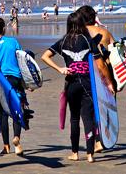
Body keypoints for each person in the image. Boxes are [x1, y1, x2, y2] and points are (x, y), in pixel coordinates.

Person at [41, 12, 98, 163]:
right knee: (88, 118)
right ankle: (90, 154)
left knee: (74, 118)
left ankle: (75, 153)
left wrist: (60, 69)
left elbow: (44, 56)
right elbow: (99, 60)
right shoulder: (87, 39)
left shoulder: (63, 41)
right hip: (87, 82)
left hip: (71, 83)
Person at [0, 17, 26, 155]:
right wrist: (27, 82)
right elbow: (22, 61)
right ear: (4, 28)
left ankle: (6, 146)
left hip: (0, 81)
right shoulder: (13, 42)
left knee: (2, 113)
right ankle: (17, 138)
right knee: (17, 109)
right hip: (15, 79)